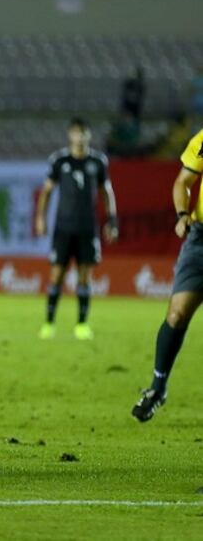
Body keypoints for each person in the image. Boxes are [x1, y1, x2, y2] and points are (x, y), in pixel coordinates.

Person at [132, 128, 203, 422]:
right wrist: (182, 215)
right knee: (176, 314)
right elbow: (183, 182)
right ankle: (157, 389)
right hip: (201, 238)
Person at [35, 118, 119, 340]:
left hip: (87, 228)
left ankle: (82, 324)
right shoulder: (60, 160)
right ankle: (49, 323)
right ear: (69, 135)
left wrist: (112, 220)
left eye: (82, 133)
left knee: (84, 277)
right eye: (75, 133)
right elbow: (47, 192)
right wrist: (40, 219)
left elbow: (106, 192)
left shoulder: (98, 162)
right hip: (63, 227)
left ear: (88, 136)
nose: (79, 137)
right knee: (57, 275)